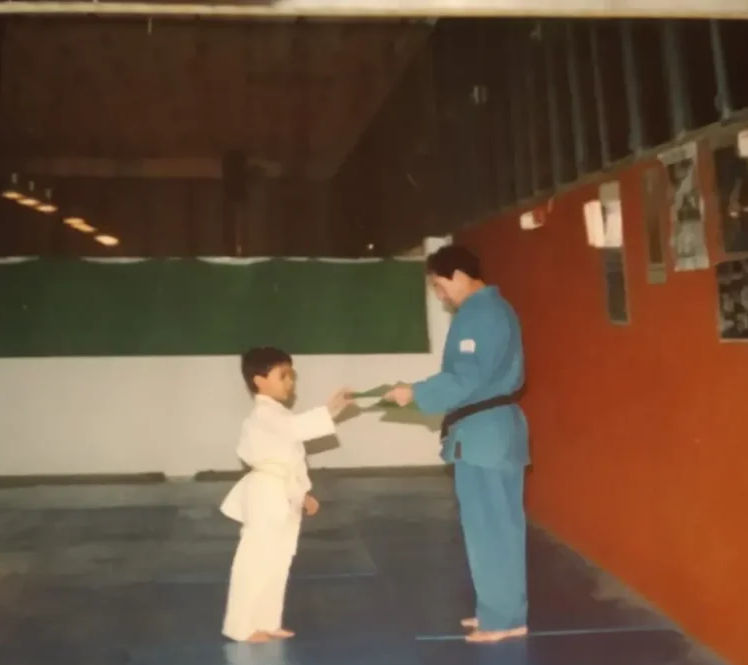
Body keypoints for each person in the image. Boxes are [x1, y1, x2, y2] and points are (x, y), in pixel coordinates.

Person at [386, 244, 529, 644]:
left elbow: (467, 377)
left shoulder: (479, 314)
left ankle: (501, 620)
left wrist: (414, 392)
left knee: (490, 526)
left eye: (439, 286)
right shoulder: (493, 310)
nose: (440, 295)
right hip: (489, 430)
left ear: (459, 276)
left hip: (484, 434)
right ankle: (501, 611)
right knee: (497, 524)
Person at [221, 346, 352, 643]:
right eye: (283, 376)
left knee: (279, 558)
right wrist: (332, 408)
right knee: (255, 558)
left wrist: (303, 493)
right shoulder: (263, 414)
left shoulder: (279, 414)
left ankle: (266, 620)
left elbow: (291, 459)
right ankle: (239, 626)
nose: (290, 382)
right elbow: (297, 430)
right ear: (259, 380)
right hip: (266, 491)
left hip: (282, 490)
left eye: (291, 375)